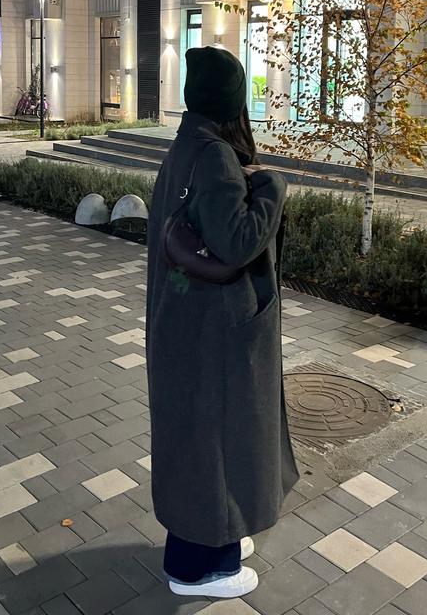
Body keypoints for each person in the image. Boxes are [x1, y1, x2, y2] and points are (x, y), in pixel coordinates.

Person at [145, 46, 300, 599]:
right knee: (219, 437)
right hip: (214, 332)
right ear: (233, 102)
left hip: (188, 323)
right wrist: (273, 187)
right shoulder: (214, 156)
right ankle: (199, 569)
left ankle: (213, 539)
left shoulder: (188, 144)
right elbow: (236, 242)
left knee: (200, 437)